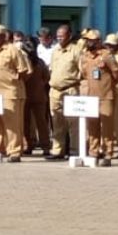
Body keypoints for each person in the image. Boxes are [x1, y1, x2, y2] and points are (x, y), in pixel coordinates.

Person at [0, 24, 30, 161]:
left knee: (12, 125)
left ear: (4, 37)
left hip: (9, 93)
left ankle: (14, 151)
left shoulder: (12, 50)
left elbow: (23, 71)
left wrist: (13, 82)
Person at [79, 30, 118, 165]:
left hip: (106, 95)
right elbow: (85, 74)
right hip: (91, 96)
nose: (88, 43)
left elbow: (117, 73)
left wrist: (109, 85)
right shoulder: (85, 56)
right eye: (87, 40)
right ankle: (94, 152)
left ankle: (108, 153)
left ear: (98, 41)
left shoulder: (107, 55)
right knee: (92, 126)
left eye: (91, 40)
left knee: (107, 126)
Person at [47, 25, 81, 159]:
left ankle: (74, 150)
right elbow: (52, 69)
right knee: (56, 121)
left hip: (71, 89)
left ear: (70, 35)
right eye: (58, 35)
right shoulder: (55, 51)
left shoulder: (76, 51)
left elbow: (82, 71)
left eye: (62, 35)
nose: (59, 38)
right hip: (55, 91)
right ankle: (57, 150)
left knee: (73, 122)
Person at [23, 41, 50, 156]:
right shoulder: (34, 62)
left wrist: (40, 85)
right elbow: (46, 78)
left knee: (39, 122)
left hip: (36, 96)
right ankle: (31, 145)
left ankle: (43, 145)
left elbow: (47, 77)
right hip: (30, 96)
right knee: (29, 123)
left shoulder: (39, 63)